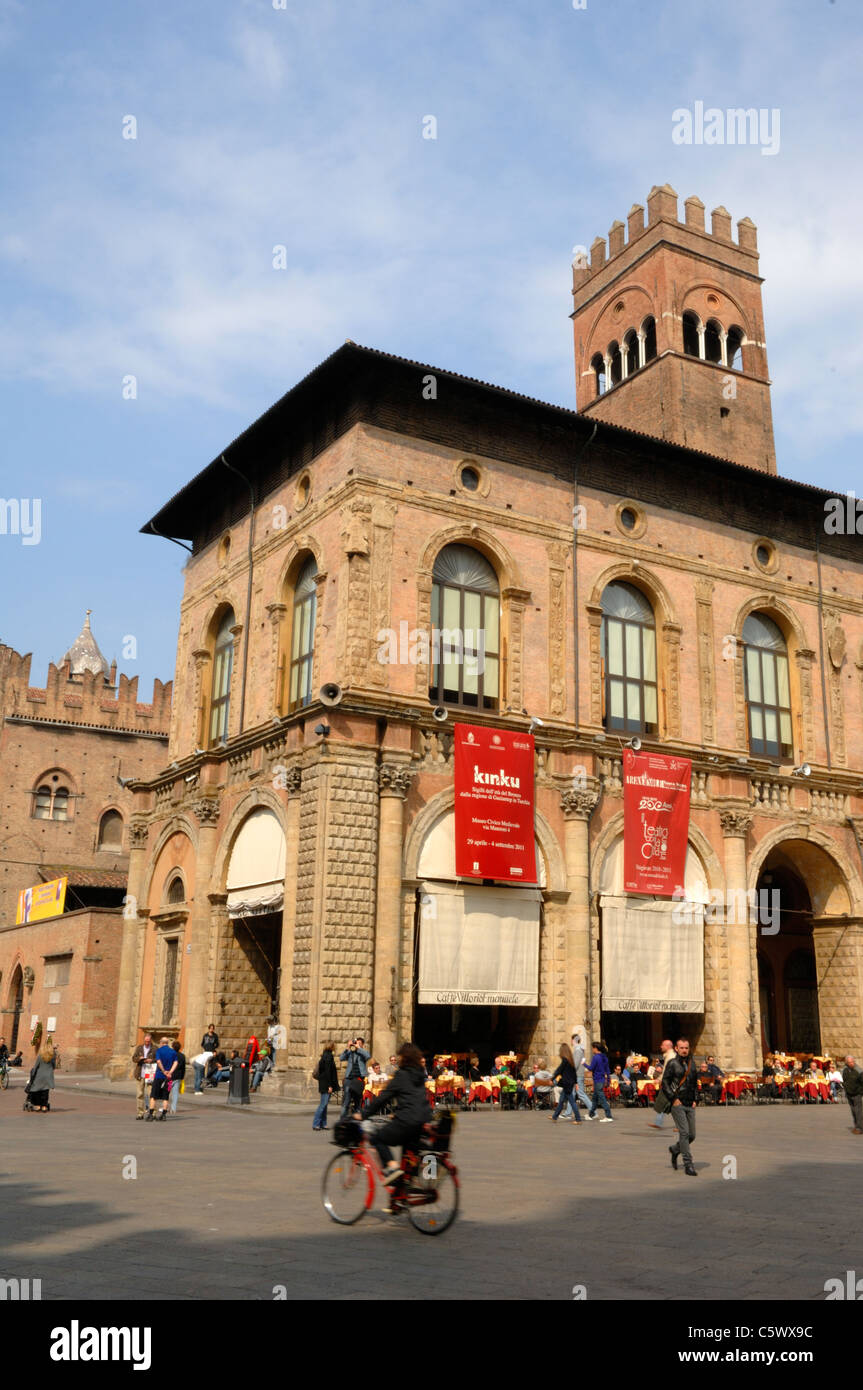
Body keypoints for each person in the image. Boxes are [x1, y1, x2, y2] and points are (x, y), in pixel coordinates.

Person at [360, 1042, 432, 1186]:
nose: (397, 1059)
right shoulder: (420, 1075)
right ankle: (402, 1198)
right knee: (408, 1156)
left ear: (404, 1058)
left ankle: (392, 1168)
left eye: (399, 1056)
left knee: (377, 1138)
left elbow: (382, 1098)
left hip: (406, 1120)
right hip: (421, 1120)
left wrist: (363, 1114)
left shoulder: (401, 1075)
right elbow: (415, 1098)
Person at [663, 1038, 698, 1175]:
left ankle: (675, 1149)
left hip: (690, 1103)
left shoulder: (692, 1064)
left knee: (692, 1135)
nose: (684, 1050)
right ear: (676, 1049)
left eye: (686, 1048)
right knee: (684, 1132)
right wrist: (673, 1099)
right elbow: (665, 1083)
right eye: (682, 1048)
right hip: (677, 1103)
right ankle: (688, 1163)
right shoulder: (672, 1063)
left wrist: (696, 1099)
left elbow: (695, 1083)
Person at [551, 1043, 583, 1124]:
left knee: (572, 1102)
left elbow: (559, 1070)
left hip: (566, 1083)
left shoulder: (565, 1060)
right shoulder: (570, 1060)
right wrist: (575, 1083)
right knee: (561, 1101)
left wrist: (552, 1078)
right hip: (570, 1083)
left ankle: (578, 1119)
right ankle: (554, 1117)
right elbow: (574, 1073)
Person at [148, 1036, 177, 1120]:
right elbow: (175, 1062)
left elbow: (158, 1061)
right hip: (169, 1077)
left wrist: (164, 1071)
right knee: (166, 1096)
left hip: (159, 1076)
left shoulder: (159, 1051)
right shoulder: (173, 1052)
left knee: (153, 1095)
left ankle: (150, 1115)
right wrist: (170, 1072)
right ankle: (163, 1115)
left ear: (161, 1042)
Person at [340, 1036, 370, 1117]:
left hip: (359, 1079)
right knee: (346, 1101)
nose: (357, 1045)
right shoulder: (350, 1052)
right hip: (349, 1079)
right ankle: (342, 1121)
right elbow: (341, 1058)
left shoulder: (363, 1052)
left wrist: (359, 1048)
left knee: (358, 1102)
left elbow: (368, 1056)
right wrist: (347, 1047)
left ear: (362, 1045)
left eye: (359, 1044)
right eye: (356, 1043)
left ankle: (357, 1119)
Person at [648, 1040, 676, 1129]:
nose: (661, 1046)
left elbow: (667, 1070)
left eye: (662, 1045)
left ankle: (682, 1124)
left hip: (670, 1084)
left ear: (667, 1046)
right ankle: (658, 1122)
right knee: (666, 1103)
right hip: (669, 1083)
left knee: (669, 1103)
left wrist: (660, 1079)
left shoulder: (670, 1056)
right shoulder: (669, 1055)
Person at [313, 1041, 339, 1131]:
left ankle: (323, 1123)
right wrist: (330, 1086)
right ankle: (316, 1123)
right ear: (332, 1047)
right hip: (326, 1084)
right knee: (323, 1105)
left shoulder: (325, 1055)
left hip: (323, 1083)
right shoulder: (328, 1057)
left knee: (324, 1105)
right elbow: (328, 1073)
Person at [585, 1042, 614, 1121]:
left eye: (592, 1048)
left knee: (602, 1099)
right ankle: (591, 1114)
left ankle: (608, 1116)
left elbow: (590, 1068)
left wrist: (583, 1064)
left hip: (597, 1080)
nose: (592, 1050)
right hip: (601, 1079)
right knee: (595, 1098)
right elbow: (607, 1070)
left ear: (595, 1048)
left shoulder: (596, 1057)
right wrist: (608, 1080)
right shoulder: (604, 1057)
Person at [26, 1040, 56, 1111]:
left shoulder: (40, 1056)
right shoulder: (52, 1056)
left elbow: (36, 1067)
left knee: (37, 1091)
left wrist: (32, 1075)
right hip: (48, 1076)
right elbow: (54, 1066)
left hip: (39, 1076)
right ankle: (44, 1106)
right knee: (45, 1091)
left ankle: (38, 1105)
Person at [132, 1032, 155, 1120]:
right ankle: (140, 1113)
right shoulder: (139, 1048)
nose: (147, 1043)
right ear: (144, 1040)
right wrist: (139, 1059)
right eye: (145, 1041)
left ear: (150, 1040)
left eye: (148, 1041)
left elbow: (157, 1059)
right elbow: (134, 1058)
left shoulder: (154, 1048)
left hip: (149, 1073)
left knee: (151, 1094)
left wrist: (151, 1060)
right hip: (140, 1073)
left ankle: (152, 1112)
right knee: (139, 1094)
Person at [841, 1055, 863, 1133]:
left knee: (858, 1111)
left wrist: (860, 1092)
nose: (851, 1063)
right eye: (849, 1062)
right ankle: (856, 1126)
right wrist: (845, 1088)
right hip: (849, 1093)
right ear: (846, 1063)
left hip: (857, 1093)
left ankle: (860, 1128)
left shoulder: (859, 1071)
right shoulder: (845, 1070)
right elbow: (844, 1080)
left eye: (852, 1062)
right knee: (853, 1111)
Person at [169, 1039, 186, 1114]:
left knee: (167, 1092)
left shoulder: (170, 1055)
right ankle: (173, 1108)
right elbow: (183, 1067)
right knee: (175, 1093)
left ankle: (165, 1106)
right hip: (178, 1076)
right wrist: (182, 1077)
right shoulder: (182, 1056)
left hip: (170, 1076)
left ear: (172, 1047)